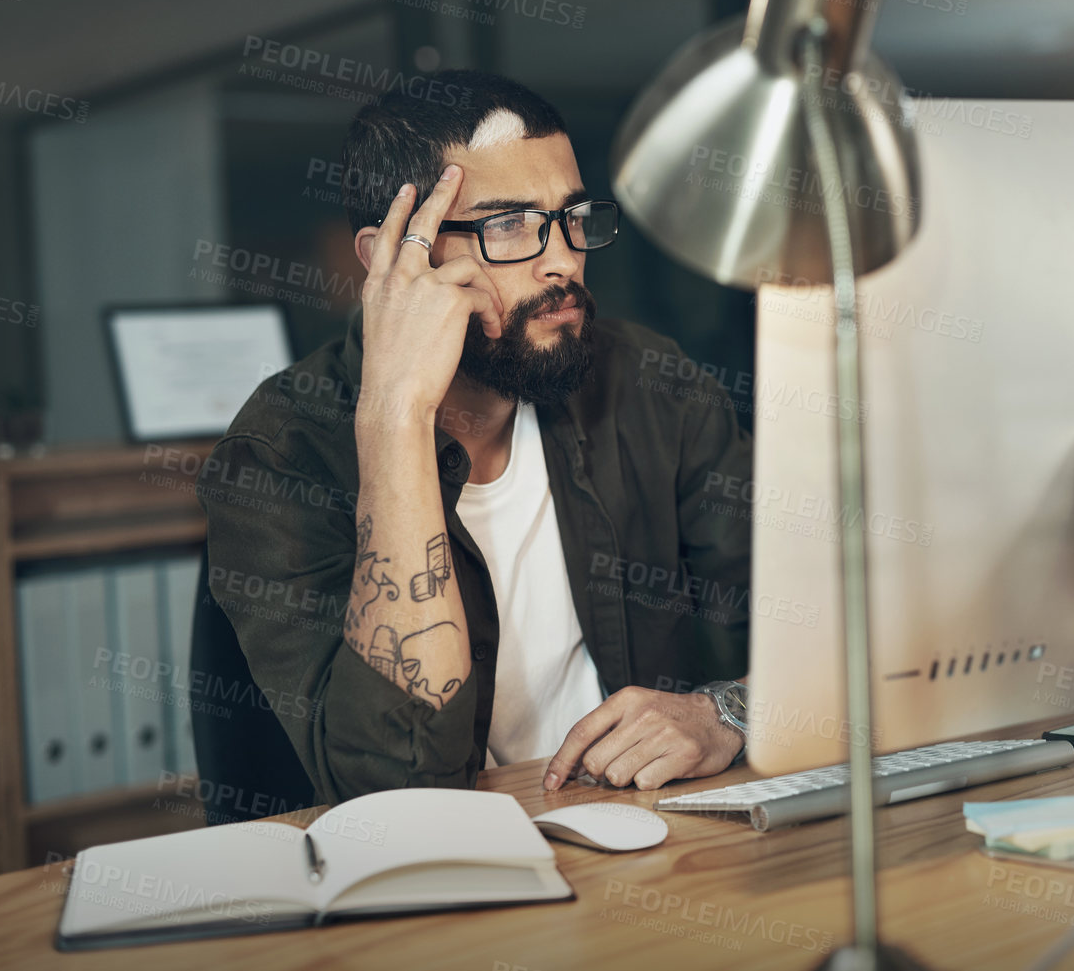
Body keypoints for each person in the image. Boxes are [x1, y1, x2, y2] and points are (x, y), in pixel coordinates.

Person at [198, 70, 750, 802]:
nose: (562, 259)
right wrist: (395, 416)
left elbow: (826, 627)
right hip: (422, 880)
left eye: (571, 216)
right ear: (391, 259)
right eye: (508, 225)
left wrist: (725, 711)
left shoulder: (651, 386)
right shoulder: (278, 457)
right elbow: (395, 781)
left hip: (643, 833)